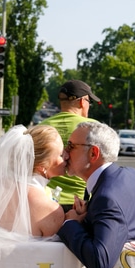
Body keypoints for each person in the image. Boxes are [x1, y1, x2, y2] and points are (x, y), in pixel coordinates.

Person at [57, 122, 135, 268]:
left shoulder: (107, 197)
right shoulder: (131, 174)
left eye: (71, 146)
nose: (65, 153)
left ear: (93, 153)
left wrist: (69, 224)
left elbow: (100, 262)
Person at [40, 80, 100, 209]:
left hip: (45, 199)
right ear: (82, 101)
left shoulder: (42, 127)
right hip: (80, 203)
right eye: (90, 102)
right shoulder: (93, 128)